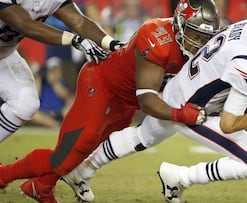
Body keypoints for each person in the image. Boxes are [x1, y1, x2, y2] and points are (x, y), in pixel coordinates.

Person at [62, 18, 247, 202]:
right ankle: (180, 177)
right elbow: (228, 124)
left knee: (140, 137)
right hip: (194, 109)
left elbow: (234, 72)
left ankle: (83, 170)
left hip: (181, 86)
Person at [0, 0, 220, 202]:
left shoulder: (205, 49)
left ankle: (41, 185)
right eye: (195, 35)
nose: (199, 43)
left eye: (204, 37)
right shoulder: (156, 37)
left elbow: (79, 20)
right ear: (180, 24)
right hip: (102, 85)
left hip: (126, 100)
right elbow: (147, 100)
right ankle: (4, 174)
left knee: (90, 150)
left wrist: (109, 42)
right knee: (66, 155)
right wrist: (183, 115)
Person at [0, 0, 124, 143]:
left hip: (4, 55)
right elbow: (25, 25)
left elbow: (79, 21)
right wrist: (74, 39)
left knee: (25, 104)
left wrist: (113, 44)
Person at [30, 57, 74, 128]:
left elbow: (65, 96)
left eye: (56, 70)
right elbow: (35, 97)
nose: (54, 72)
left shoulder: (61, 82)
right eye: (51, 70)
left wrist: (54, 82)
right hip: (43, 113)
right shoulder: (41, 82)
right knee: (33, 114)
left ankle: (58, 125)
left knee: (68, 109)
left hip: (58, 113)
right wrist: (39, 78)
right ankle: (57, 126)